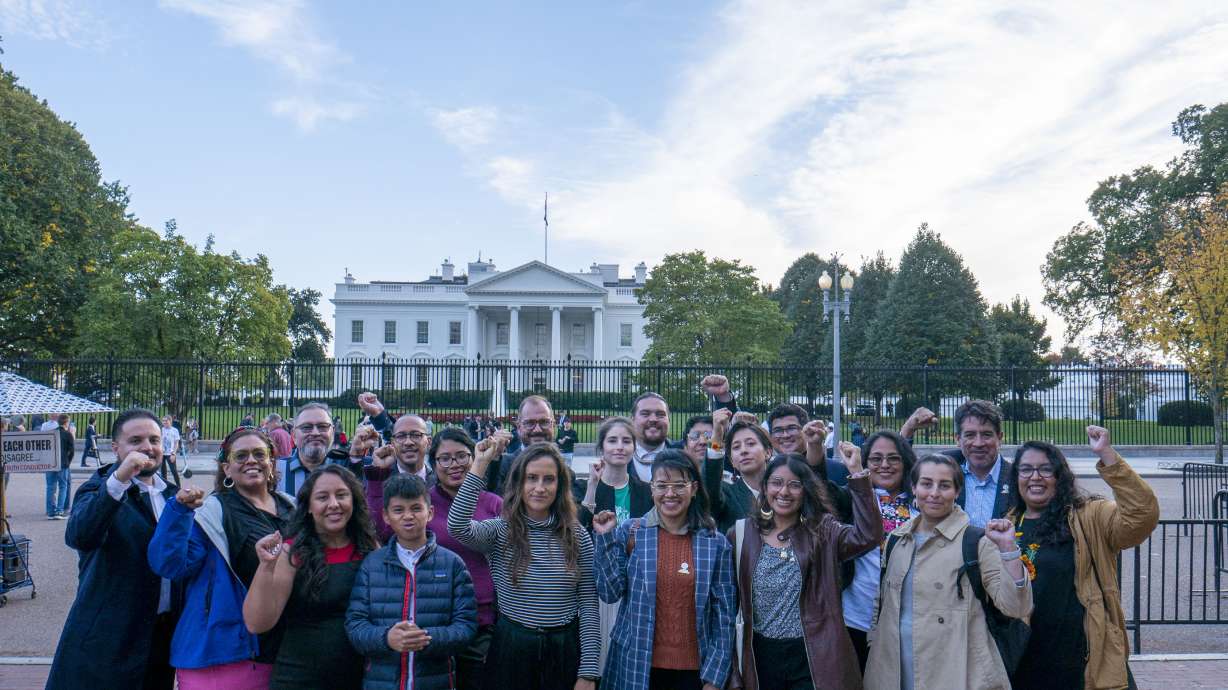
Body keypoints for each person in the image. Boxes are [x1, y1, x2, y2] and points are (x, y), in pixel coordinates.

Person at [1006, 427, 1159, 690]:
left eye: (1045, 469)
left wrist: (1107, 456)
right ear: (1016, 476)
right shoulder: (1007, 525)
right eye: (1026, 469)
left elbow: (1141, 515)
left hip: (1083, 662)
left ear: (1059, 476)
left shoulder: (1089, 515)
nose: (1035, 477)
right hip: (1026, 663)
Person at [864, 454, 1032, 690]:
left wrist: (1008, 549)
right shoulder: (896, 539)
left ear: (957, 491)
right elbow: (882, 603)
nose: (934, 493)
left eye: (944, 485)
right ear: (913, 487)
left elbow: (1016, 607)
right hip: (892, 670)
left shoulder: (977, 542)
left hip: (957, 671)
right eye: (926, 483)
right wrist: (874, 641)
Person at [147, 426, 296, 688]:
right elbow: (170, 565)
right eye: (241, 456)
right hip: (225, 653)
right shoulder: (213, 512)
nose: (251, 461)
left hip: (283, 648)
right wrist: (179, 512)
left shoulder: (291, 506)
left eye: (259, 454)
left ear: (271, 462)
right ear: (227, 468)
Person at [47, 409, 182, 690]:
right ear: (116, 447)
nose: (148, 447)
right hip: (110, 636)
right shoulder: (98, 489)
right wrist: (119, 479)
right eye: (136, 440)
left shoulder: (171, 494)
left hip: (160, 635)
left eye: (154, 439)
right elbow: (80, 535)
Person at [449, 440, 600, 690]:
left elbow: (588, 605)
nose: (539, 487)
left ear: (559, 485)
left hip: (564, 649)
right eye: (531, 478)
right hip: (512, 648)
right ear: (519, 483)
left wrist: (588, 671)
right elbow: (458, 526)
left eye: (548, 479)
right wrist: (479, 464)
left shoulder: (577, 535)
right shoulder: (500, 531)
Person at [728, 445, 881, 690]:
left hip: (813, 653)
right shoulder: (741, 533)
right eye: (776, 483)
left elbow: (869, 536)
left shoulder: (823, 531)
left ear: (806, 491)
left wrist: (857, 473)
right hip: (760, 655)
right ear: (765, 487)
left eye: (795, 485)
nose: (784, 492)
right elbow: (730, 604)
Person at [593, 451, 736, 690]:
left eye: (679, 485)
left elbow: (724, 618)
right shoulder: (632, 532)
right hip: (636, 666)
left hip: (694, 673)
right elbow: (609, 592)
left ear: (693, 488)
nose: (670, 494)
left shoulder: (715, 542)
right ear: (652, 489)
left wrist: (715, 678)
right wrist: (605, 538)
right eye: (662, 485)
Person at [243, 465, 380, 690]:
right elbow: (257, 623)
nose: (334, 504)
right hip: (299, 678)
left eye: (342, 495)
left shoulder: (369, 548)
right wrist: (266, 567)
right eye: (322, 497)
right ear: (308, 507)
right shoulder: (291, 553)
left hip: (359, 678)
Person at [346, 473, 478, 690]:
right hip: (381, 682)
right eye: (399, 510)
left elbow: (466, 627)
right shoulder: (372, 565)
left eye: (416, 508)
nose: (408, 516)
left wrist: (426, 638)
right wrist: (387, 638)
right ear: (386, 516)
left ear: (430, 513)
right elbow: (355, 625)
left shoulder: (452, 564)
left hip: (437, 681)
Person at [422, 428, 504, 689]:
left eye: (461, 456)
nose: (454, 465)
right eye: (444, 458)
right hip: (435, 617)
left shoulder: (493, 503)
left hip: (484, 620)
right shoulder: (424, 503)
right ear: (433, 463)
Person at [578, 417, 654, 671]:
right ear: (602, 448)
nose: (619, 447)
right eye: (612, 441)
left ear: (634, 447)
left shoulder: (645, 491)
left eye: (626, 441)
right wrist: (591, 487)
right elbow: (577, 530)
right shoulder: (584, 487)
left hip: (633, 587)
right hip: (594, 585)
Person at [842, 430, 917, 670]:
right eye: (876, 459)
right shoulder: (848, 500)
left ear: (905, 463)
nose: (885, 465)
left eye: (893, 458)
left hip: (908, 618)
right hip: (856, 618)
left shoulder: (923, 501)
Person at [900, 400, 1011, 527]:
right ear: (958, 439)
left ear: (1000, 438)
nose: (978, 443)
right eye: (970, 435)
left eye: (986, 435)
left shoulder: (1017, 477)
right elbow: (902, 471)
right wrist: (908, 430)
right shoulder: (945, 467)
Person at [629, 375, 738, 483]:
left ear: (669, 420)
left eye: (660, 414)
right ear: (632, 420)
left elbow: (716, 453)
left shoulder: (687, 450)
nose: (653, 419)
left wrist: (722, 397)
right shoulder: (619, 454)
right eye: (645, 414)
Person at [276, 402, 351, 496]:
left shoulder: (347, 466)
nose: (315, 433)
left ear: (332, 432)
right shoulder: (275, 470)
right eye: (306, 427)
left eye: (323, 426)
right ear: (294, 435)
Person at [766, 403, 849, 486]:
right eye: (778, 430)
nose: (785, 435)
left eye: (792, 428)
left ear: (806, 430)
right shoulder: (766, 474)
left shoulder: (838, 471)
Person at [713, 421, 773, 532]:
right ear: (732, 461)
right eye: (736, 447)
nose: (743, 451)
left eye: (751, 444)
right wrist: (717, 438)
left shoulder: (781, 492)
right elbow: (710, 483)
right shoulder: (726, 494)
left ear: (768, 452)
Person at [45, 414, 74, 519]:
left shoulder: (51, 433)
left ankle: (50, 511)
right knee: (63, 486)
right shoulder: (68, 434)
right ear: (66, 422)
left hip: (50, 463)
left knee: (50, 487)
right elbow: (72, 452)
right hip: (63, 463)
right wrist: (68, 462)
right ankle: (59, 511)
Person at [159, 415, 182, 485]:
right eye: (163, 421)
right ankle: (165, 487)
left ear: (170, 421)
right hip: (161, 453)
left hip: (170, 453)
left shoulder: (174, 430)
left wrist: (173, 454)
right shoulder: (160, 430)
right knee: (163, 472)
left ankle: (178, 486)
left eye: (166, 420)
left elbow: (176, 443)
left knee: (174, 471)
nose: (164, 422)